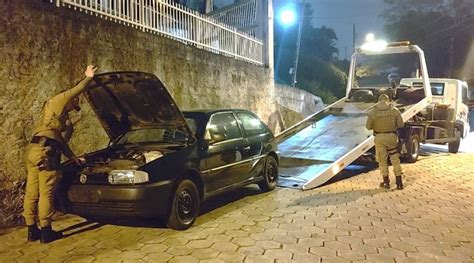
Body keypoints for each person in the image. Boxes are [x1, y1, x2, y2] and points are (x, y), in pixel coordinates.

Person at [23, 65, 98, 243]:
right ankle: (46, 231)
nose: (73, 110)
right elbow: (77, 89)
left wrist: (73, 157)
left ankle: (32, 229)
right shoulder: (59, 100)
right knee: (46, 193)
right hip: (45, 154)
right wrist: (88, 78)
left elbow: (60, 141)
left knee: (31, 191)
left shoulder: (54, 118)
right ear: (72, 101)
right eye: (74, 106)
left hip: (34, 151)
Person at [366, 94, 405, 190]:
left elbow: (368, 127)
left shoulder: (373, 112)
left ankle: (386, 182)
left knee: (382, 160)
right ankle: (399, 183)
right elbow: (401, 125)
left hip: (379, 138)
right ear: (388, 100)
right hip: (391, 137)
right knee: (395, 159)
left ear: (379, 101)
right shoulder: (394, 110)